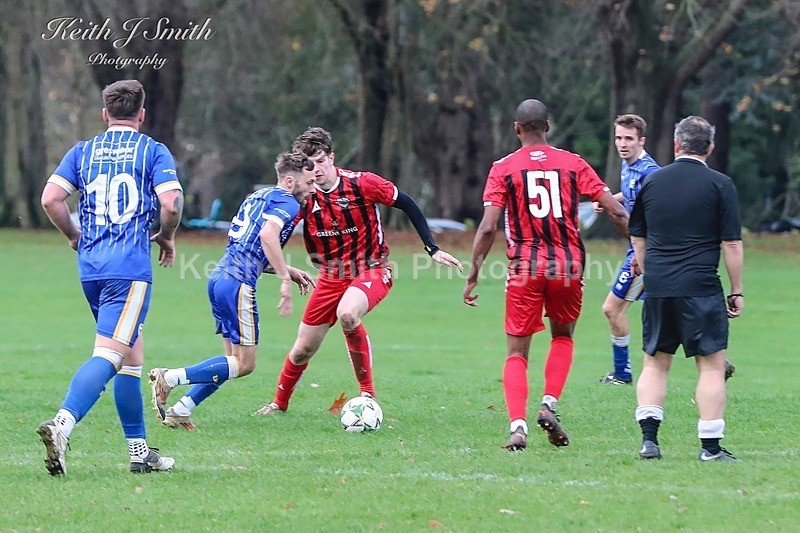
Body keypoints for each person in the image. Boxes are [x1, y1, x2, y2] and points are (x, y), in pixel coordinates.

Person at [254, 127, 462, 415]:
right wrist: (276, 267)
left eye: (320, 162)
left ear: (332, 157)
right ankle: (279, 404)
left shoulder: (363, 184)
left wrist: (432, 248)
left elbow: (408, 203)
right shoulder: (303, 197)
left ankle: (367, 395)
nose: (315, 171)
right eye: (308, 165)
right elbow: (275, 237)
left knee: (348, 314)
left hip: (372, 268)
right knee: (303, 349)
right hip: (329, 276)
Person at [463, 99, 629, 450]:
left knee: (516, 353)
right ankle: (549, 404)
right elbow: (615, 208)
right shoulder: (573, 163)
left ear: (517, 128)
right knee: (563, 336)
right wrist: (638, 247)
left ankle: (518, 428)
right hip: (568, 265)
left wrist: (474, 273)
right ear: (548, 127)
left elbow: (489, 226)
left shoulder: (503, 168)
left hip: (525, 266)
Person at [37, 79, 183, 475]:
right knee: (110, 355)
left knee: (131, 357)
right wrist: (166, 237)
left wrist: (72, 235)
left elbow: (51, 198)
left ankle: (140, 454)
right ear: (142, 115)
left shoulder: (82, 151)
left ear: (105, 114)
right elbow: (171, 202)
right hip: (129, 269)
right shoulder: (152, 150)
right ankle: (63, 424)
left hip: (91, 269)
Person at [148, 152, 317, 429]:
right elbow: (266, 236)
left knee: (230, 361)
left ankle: (181, 409)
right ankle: (170, 377)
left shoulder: (257, 198)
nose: (312, 189)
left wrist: (287, 270)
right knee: (245, 364)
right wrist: (285, 280)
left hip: (220, 278)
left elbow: (249, 248)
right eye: (308, 183)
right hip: (238, 284)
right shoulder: (288, 202)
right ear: (289, 181)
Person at [629, 116, 743, 462]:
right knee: (710, 366)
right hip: (701, 287)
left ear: (676, 145)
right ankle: (710, 448)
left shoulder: (651, 182)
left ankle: (650, 442)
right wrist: (736, 290)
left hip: (660, 286)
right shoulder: (720, 185)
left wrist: (651, 273)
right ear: (710, 148)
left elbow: (638, 236)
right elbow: (732, 244)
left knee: (655, 364)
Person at [596, 114, 661, 385]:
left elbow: (657, 215)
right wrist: (610, 200)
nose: (622, 144)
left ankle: (623, 374)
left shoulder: (650, 173)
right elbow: (632, 195)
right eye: (619, 137)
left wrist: (641, 255)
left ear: (641, 141)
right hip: (635, 247)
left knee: (612, 308)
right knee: (666, 311)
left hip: (645, 250)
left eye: (628, 139)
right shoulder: (628, 166)